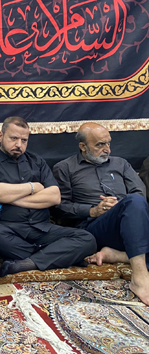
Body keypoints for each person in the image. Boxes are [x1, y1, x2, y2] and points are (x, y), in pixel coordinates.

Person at [0, 116, 96, 278]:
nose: (19, 144)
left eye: (24, 140)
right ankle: (60, 257)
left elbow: (54, 197)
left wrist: (7, 196)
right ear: (1, 136)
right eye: (14, 138)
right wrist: (33, 187)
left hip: (41, 228)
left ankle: (27, 263)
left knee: (87, 239)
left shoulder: (36, 162)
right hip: (5, 228)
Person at [53, 122, 149, 305]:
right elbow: (59, 207)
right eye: (100, 145)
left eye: (108, 143)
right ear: (83, 146)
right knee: (133, 202)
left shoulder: (121, 164)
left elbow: (139, 193)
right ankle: (139, 277)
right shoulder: (65, 168)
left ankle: (120, 256)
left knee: (134, 201)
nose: (107, 149)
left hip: (130, 219)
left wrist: (121, 206)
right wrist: (93, 210)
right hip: (95, 226)